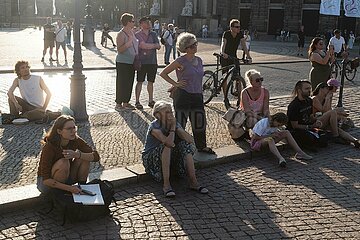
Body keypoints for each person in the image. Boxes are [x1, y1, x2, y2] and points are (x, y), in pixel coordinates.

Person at [160, 32, 215, 154]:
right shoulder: (181, 61)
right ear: (185, 48)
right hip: (183, 95)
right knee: (181, 122)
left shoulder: (199, 60)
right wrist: (176, 84)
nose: (195, 47)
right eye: (192, 46)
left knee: (199, 121)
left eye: (195, 44)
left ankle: (201, 146)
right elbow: (163, 73)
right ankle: (177, 147)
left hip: (197, 95)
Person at [142, 101, 208, 197]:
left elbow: (189, 140)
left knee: (184, 145)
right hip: (152, 159)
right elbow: (168, 142)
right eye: (167, 112)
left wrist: (178, 128)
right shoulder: (154, 126)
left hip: (168, 156)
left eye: (171, 112)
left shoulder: (174, 123)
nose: (170, 115)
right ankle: (166, 185)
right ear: (158, 115)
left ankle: (194, 182)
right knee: (167, 146)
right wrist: (173, 129)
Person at [287, 80, 360, 149]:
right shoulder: (294, 105)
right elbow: (295, 126)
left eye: (310, 88)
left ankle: (356, 141)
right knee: (333, 113)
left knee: (336, 128)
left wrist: (316, 120)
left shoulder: (308, 100)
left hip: (312, 124)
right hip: (302, 129)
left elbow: (311, 116)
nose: (309, 90)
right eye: (306, 89)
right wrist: (311, 126)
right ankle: (336, 136)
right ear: (299, 91)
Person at [37, 115, 100, 194]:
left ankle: (83, 189)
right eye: (69, 129)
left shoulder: (74, 139)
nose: (73, 131)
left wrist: (77, 154)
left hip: (66, 176)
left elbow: (96, 156)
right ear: (59, 131)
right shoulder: (49, 147)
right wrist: (70, 188)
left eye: (74, 127)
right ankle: (62, 193)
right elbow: (46, 180)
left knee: (84, 157)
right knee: (64, 162)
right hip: (46, 183)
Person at [134, 16, 161, 110]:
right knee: (140, 81)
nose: (149, 23)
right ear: (141, 24)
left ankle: (150, 100)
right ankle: (137, 101)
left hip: (152, 62)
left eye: (149, 22)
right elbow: (142, 45)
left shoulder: (153, 34)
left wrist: (148, 46)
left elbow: (159, 46)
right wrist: (153, 45)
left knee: (151, 82)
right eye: (146, 22)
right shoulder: (137, 34)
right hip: (141, 62)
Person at [220, 19, 252, 97]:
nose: (238, 28)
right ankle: (225, 97)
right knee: (225, 77)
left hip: (233, 57)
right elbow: (223, 44)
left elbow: (244, 46)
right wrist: (222, 53)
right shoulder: (226, 34)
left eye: (239, 27)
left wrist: (249, 56)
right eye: (236, 27)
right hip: (225, 56)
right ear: (231, 27)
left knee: (238, 77)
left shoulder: (240, 34)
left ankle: (240, 97)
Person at [115, 13, 138, 111]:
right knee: (121, 82)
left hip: (132, 62)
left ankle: (126, 102)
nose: (134, 22)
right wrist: (128, 42)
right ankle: (118, 103)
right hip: (122, 62)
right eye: (132, 21)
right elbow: (120, 49)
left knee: (129, 82)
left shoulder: (132, 32)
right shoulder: (121, 34)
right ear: (128, 22)